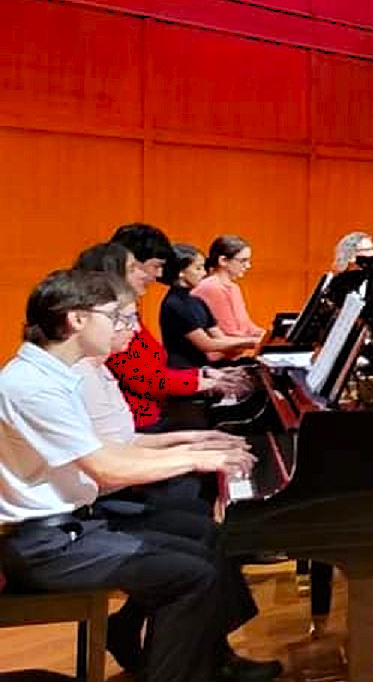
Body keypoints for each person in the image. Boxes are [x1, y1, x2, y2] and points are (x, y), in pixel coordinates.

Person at [0, 269, 279, 681]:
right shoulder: (33, 385)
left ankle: (190, 664)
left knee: (202, 552)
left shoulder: (51, 375)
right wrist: (198, 460)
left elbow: (106, 450)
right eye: (116, 317)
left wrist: (198, 448)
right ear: (77, 319)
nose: (124, 328)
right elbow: (107, 469)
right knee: (193, 576)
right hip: (43, 544)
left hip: (68, 528)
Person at [74, 243, 247, 432]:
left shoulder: (127, 320)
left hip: (151, 414)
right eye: (133, 268)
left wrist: (205, 374)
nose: (147, 274)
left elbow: (152, 371)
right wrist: (208, 381)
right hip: (143, 420)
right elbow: (144, 380)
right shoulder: (104, 339)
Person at [160, 244, 258, 369]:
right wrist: (249, 342)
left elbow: (220, 338)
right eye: (198, 268)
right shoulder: (175, 303)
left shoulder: (197, 301)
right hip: (185, 371)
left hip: (203, 367)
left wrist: (256, 341)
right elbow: (206, 344)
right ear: (181, 272)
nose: (204, 273)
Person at [190, 235, 264, 350]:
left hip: (234, 356)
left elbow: (248, 327)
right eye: (243, 261)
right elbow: (228, 335)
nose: (248, 266)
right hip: (216, 361)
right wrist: (259, 342)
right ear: (223, 261)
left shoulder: (234, 288)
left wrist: (269, 336)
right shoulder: (211, 287)